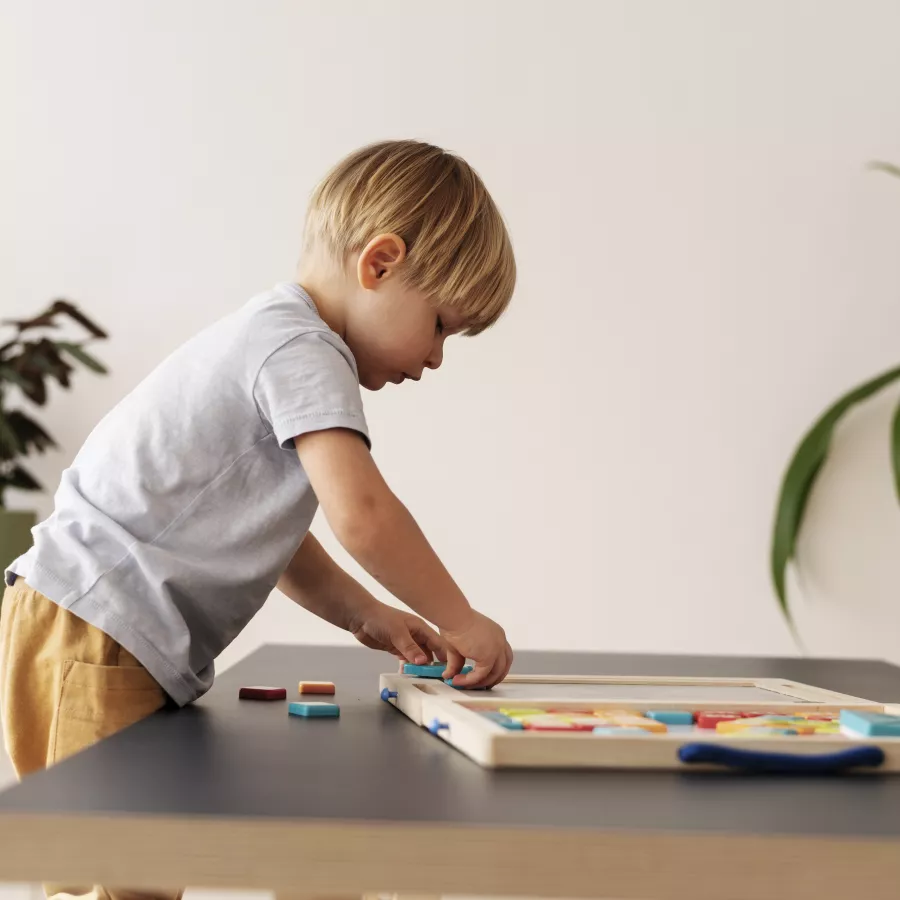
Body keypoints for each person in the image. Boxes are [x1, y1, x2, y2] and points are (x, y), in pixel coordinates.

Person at [0, 138, 516, 900]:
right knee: (117, 879)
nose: (438, 356)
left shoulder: (278, 337)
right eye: (441, 324)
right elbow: (363, 515)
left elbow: (274, 538)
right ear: (379, 263)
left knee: (135, 868)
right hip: (95, 627)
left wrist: (365, 613)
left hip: (89, 625)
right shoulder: (301, 347)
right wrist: (460, 616)